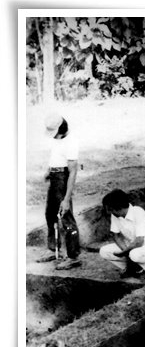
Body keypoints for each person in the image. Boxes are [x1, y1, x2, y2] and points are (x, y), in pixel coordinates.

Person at [36, 113, 82, 270]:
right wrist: (50, 170)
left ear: (61, 128)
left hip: (63, 179)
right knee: (50, 214)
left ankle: (73, 256)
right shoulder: (58, 139)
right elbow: (56, 156)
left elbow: (73, 172)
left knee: (66, 218)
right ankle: (53, 249)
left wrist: (66, 198)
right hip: (55, 177)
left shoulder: (71, 142)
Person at [99, 189, 145, 278]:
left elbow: (139, 241)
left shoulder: (138, 212)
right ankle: (133, 267)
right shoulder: (115, 215)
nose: (108, 212)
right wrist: (125, 251)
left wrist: (125, 252)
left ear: (118, 208)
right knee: (104, 251)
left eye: (110, 209)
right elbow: (116, 236)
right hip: (129, 246)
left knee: (134, 254)